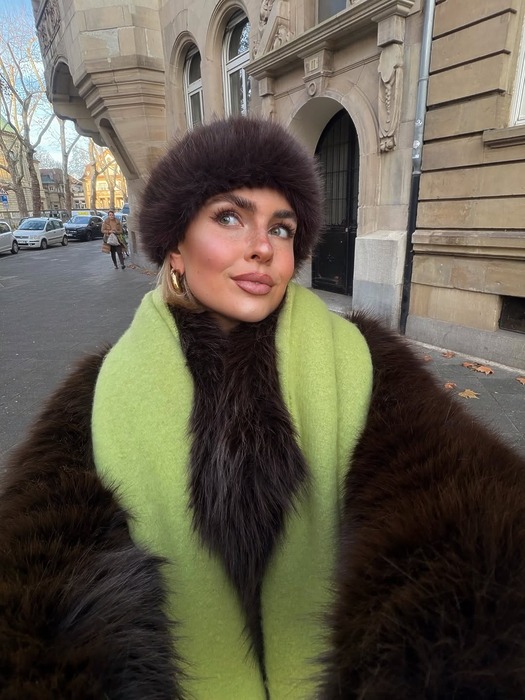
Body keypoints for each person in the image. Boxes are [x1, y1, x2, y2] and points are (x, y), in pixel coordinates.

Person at [1, 117, 525, 699]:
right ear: (175, 245)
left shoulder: (362, 361)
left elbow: (464, 511)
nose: (263, 247)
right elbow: (39, 583)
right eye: (230, 217)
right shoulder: (102, 391)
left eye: (281, 228)